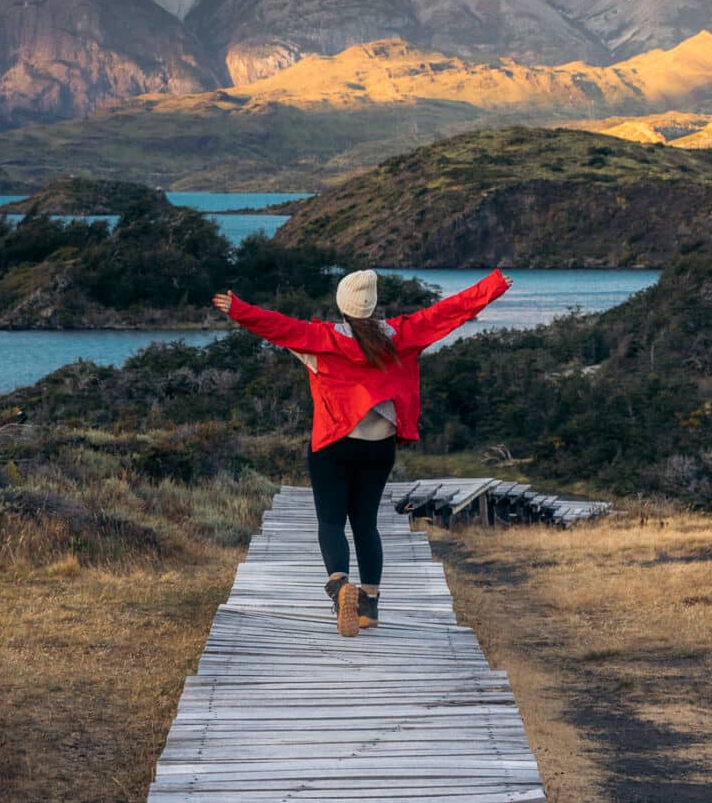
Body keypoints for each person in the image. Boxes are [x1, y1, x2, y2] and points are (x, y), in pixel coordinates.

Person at [212, 267, 510, 637]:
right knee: (366, 524)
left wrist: (238, 308)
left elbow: (276, 326)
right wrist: (491, 287)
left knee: (332, 523)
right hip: (378, 448)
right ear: (373, 305)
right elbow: (447, 313)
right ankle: (369, 606)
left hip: (333, 445)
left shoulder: (321, 339)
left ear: (342, 305)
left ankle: (340, 589)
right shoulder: (399, 335)